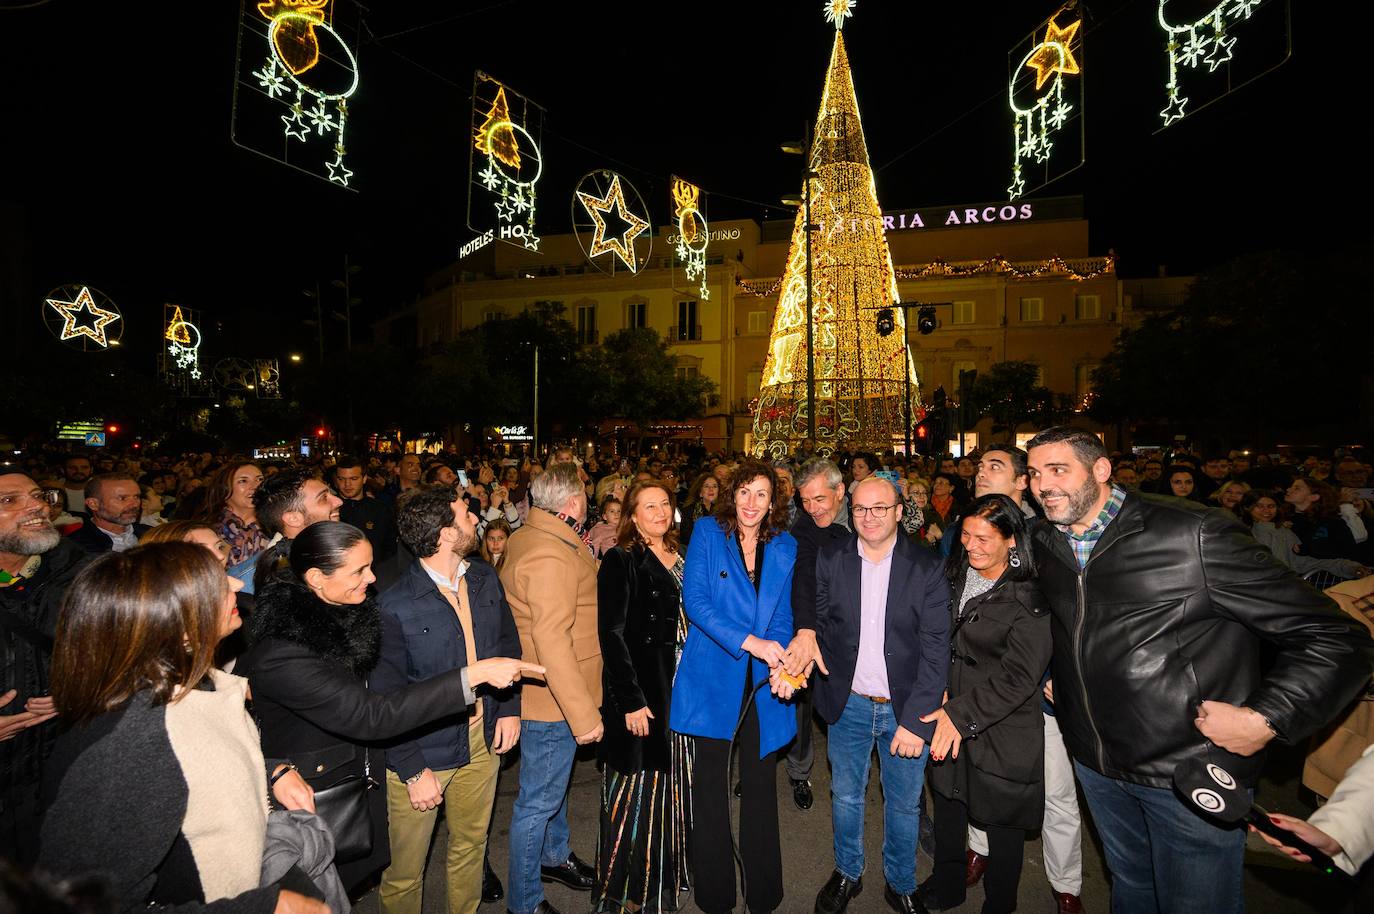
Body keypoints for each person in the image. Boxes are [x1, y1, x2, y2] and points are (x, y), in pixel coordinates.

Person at [1024, 426, 1374, 914]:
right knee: (1131, 887)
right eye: (1034, 473)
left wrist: (1266, 717)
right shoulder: (1046, 538)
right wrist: (1057, 677)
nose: (1043, 485)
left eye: (1058, 469)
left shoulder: (1194, 532)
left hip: (1188, 770)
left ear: (1100, 469)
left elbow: (1336, 637)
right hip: (1096, 762)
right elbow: (1069, 624)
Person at [240, 521, 540, 893]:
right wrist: (470, 677)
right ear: (316, 578)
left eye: (370, 566)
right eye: (359, 571)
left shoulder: (348, 614)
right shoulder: (284, 650)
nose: (372, 578)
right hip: (317, 803)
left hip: (358, 780)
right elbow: (373, 713)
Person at [37, 542, 328, 914]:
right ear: (175, 626)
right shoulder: (127, 747)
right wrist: (257, 908)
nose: (236, 584)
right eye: (216, 583)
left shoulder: (194, 685)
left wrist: (269, 770)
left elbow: (195, 766)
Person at [372, 487, 529, 914]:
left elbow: (506, 643)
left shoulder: (483, 577)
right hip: (421, 751)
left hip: (482, 740)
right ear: (444, 534)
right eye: (465, 515)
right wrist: (410, 768)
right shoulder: (393, 604)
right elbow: (385, 701)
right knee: (405, 872)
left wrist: (509, 709)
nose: (476, 519)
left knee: (471, 847)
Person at [809, 476, 950, 914]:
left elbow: (936, 649)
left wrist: (916, 720)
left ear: (898, 511)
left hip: (904, 709)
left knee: (904, 805)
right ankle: (848, 872)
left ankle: (900, 883)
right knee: (846, 796)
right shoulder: (832, 558)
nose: (869, 517)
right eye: (860, 509)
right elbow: (817, 624)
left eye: (879, 508)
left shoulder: (926, 566)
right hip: (847, 703)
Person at [670, 460, 797, 914]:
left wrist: (779, 660)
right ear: (731, 495)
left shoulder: (784, 544)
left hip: (763, 680)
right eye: (744, 492)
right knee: (711, 786)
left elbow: (783, 614)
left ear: (773, 501)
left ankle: (763, 893)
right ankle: (715, 894)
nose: (751, 502)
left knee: (761, 786)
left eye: (761, 493)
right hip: (714, 674)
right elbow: (696, 602)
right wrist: (752, 642)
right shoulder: (708, 532)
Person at [920, 495, 1051, 914]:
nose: (971, 546)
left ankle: (1000, 902)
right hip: (949, 712)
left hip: (1001, 726)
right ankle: (947, 885)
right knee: (949, 806)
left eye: (983, 538)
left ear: (1011, 540)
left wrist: (958, 715)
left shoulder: (1029, 596)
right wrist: (937, 689)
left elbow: (1020, 678)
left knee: (1003, 824)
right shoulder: (955, 574)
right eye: (966, 536)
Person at [500, 462, 605, 914]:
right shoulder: (549, 552)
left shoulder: (539, 534)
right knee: (536, 804)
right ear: (574, 500)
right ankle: (524, 902)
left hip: (551, 693)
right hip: (553, 699)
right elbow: (552, 641)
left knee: (551, 791)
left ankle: (553, 856)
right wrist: (583, 716)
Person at [593, 481, 692, 913]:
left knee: (672, 789)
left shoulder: (683, 555)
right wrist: (631, 701)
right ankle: (626, 893)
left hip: (682, 691)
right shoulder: (621, 560)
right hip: (643, 691)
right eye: (649, 506)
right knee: (635, 793)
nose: (660, 512)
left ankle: (663, 882)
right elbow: (611, 635)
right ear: (632, 516)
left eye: (665, 503)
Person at [0, 473, 92, 866]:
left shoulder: (85, 574)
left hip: (65, 778)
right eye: (9, 500)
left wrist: (85, 691)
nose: (37, 506)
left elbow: (130, 657)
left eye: (38, 496)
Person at [778, 459, 849, 813]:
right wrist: (806, 631)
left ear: (840, 491)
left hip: (856, 634)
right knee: (800, 706)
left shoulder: (865, 517)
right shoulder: (804, 527)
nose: (812, 508)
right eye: (805, 501)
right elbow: (803, 578)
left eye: (819, 499)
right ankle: (799, 773)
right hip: (813, 626)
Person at [239, 468, 344, 595]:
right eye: (323, 498)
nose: (339, 501)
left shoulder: (345, 551)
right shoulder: (249, 584)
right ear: (293, 519)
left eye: (331, 493)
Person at [336, 455, 399, 569]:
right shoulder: (329, 509)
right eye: (342, 479)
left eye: (353, 479)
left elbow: (390, 549)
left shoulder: (380, 510)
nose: (347, 484)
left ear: (364, 479)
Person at [202, 461, 267, 566]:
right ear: (224, 489)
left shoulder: (275, 525)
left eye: (259, 479)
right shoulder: (209, 530)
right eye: (243, 481)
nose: (255, 486)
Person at [66, 473, 150, 553]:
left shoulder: (151, 534)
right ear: (93, 504)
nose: (134, 504)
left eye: (136, 497)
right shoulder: (74, 547)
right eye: (122, 498)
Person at [678, 473, 719, 546]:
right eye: (706, 486)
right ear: (700, 492)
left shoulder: (723, 510)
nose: (711, 489)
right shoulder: (689, 510)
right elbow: (685, 538)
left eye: (714, 486)